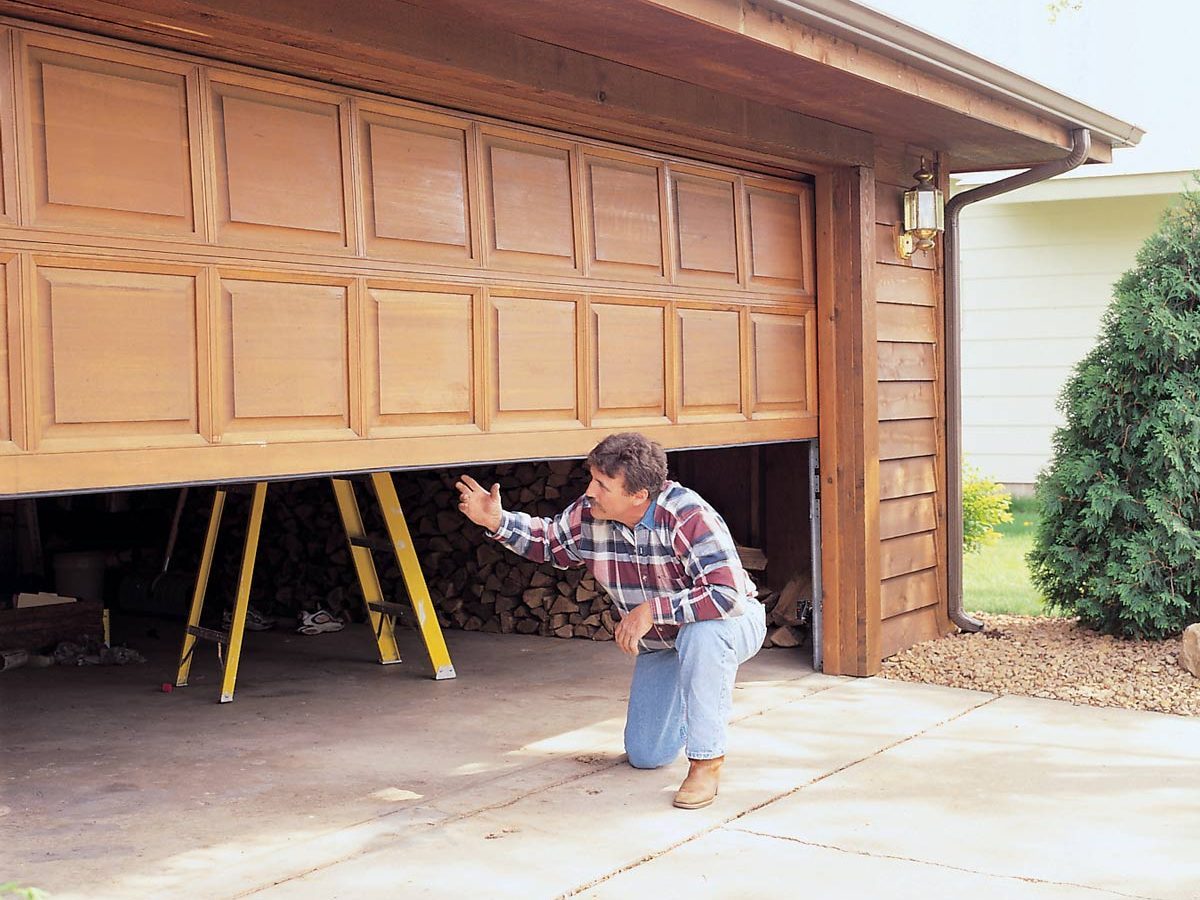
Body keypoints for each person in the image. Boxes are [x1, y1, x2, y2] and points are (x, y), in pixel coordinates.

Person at [455, 432, 766, 809]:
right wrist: (498, 521)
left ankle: (706, 761)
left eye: (602, 484)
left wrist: (653, 610)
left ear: (638, 495)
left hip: (730, 623)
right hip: (660, 646)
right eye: (592, 478)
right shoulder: (590, 514)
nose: (590, 491)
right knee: (646, 755)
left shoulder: (687, 514)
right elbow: (551, 541)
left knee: (703, 636)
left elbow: (726, 595)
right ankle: (698, 703)